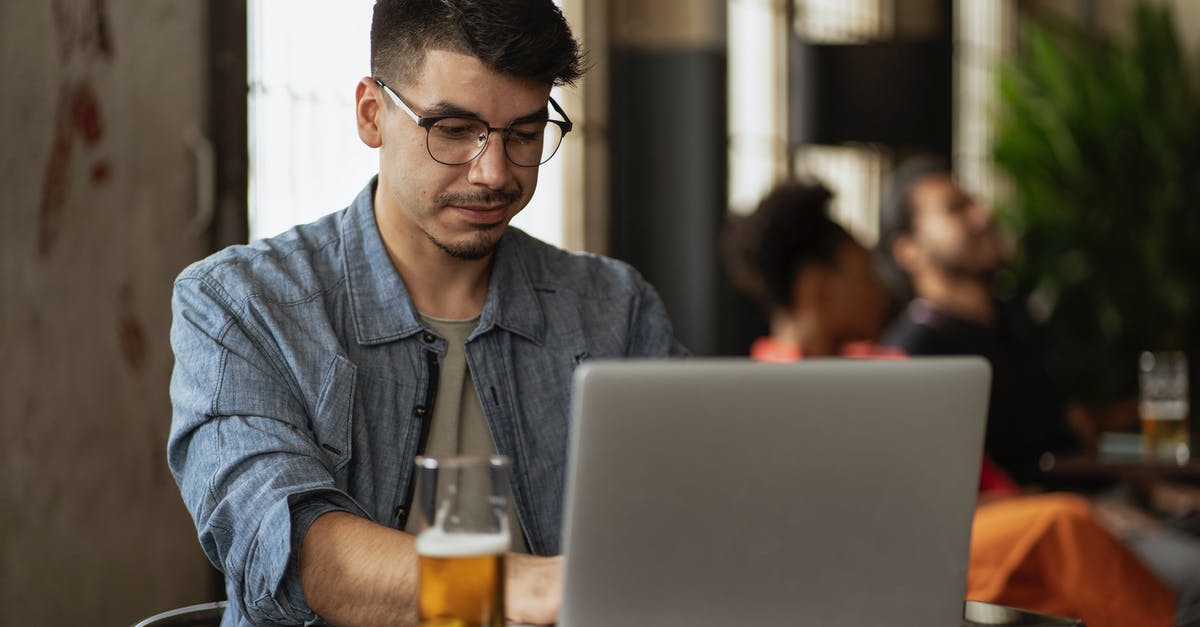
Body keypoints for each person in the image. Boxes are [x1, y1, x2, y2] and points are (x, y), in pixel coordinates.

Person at [167, 2, 685, 625]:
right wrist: (519, 586)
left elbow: (691, 517)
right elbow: (290, 548)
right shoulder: (239, 305)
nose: (494, 173)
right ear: (371, 114)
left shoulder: (614, 309)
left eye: (524, 135)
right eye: (453, 129)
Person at [722, 179, 1178, 627]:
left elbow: (980, 481)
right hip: (890, 557)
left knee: (1069, 526)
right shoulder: (770, 395)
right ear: (818, 287)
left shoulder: (891, 368)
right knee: (1064, 524)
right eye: (865, 274)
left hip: (969, 538)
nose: (883, 291)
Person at [876, 158, 1200, 626]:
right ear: (907, 249)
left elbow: (1072, 434)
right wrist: (1089, 513)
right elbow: (941, 500)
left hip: (1115, 504)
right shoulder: (912, 355)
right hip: (1054, 532)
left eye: (974, 202)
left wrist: (1154, 488)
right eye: (955, 208)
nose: (981, 215)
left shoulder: (1019, 323)